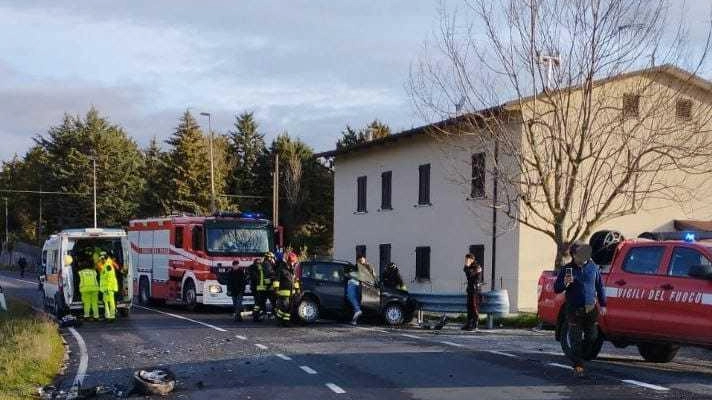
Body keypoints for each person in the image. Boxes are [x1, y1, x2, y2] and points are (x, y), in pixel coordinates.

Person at [554, 241, 607, 377]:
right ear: (574, 255)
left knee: (592, 336)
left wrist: (603, 304)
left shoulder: (593, 268)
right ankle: (578, 366)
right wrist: (565, 283)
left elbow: (600, 287)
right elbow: (557, 288)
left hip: (590, 308)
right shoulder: (567, 269)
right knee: (575, 338)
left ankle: (579, 356)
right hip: (573, 309)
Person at [348, 255, 374, 326]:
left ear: (365, 260)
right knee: (357, 300)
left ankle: (357, 314)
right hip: (360, 285)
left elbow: (371, 276)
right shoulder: (355, 267)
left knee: (356, 299)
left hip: (364, 286)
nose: (361, 262)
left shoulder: (368, 267)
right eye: (360, 261)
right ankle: (355, 319)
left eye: (362, 260)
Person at [275, 252, 300, 326]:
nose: (293, 263)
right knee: (285, 307)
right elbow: (277, 280)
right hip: (283, 292)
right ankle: (280, 320)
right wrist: (276, 289)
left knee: (289, 308)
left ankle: (285, 321)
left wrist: (297, 289)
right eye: (292, 262)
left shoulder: (292, 270)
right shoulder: (282, 269)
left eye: (294, 262)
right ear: (288, 261)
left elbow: (295, 280)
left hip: (291, 292)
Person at [249, 254, 273, 322]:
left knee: (258, 303)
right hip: (264, 288)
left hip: (259, 287)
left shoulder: (260, 265)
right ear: (269, 258)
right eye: (271, 258)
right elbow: (269, 276)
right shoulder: (267, 265)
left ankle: (257, 315)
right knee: (261, 303)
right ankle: (258, 315)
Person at [463, 253, 483, 331]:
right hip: (470, 289)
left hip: (475, 290)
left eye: (467, 259)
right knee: (469, 306)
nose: (465, 261)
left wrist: (467, 266)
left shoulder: (477, 267)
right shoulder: (470, 266)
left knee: (474, 307)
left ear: (471, 259)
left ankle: (475, 324)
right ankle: (469, 323)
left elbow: (470, 274)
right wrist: (467, 266)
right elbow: (465, 270)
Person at [98, 252, 119, 321]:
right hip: (105, 288)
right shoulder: (105, 265)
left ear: (105, 259)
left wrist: (108, 288)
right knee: (106, 302)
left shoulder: (108, 266)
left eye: (102, 259)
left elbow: (110, 277)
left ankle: (112, 316)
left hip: (109, 288)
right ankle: (107, 316)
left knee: (111, 302)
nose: (101, 261)